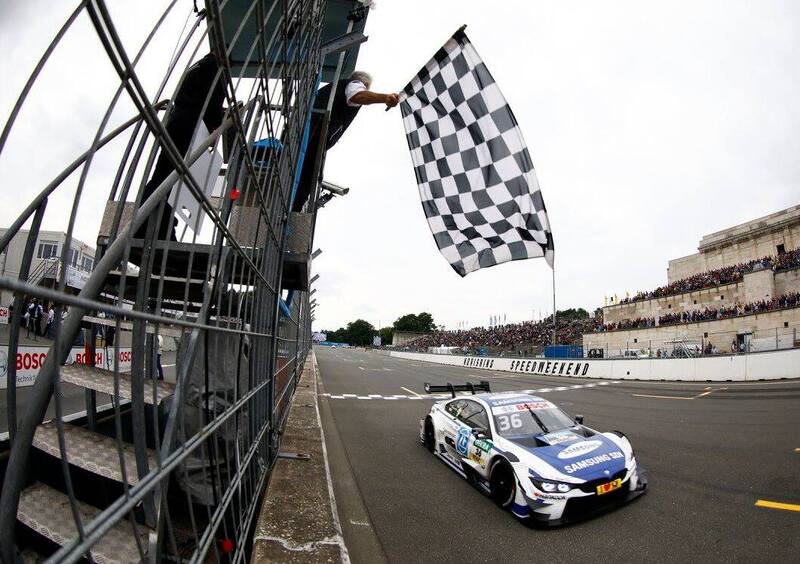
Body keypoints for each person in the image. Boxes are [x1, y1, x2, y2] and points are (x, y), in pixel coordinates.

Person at [135, 51, 227, 240]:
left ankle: (151, 223)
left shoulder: (194, 68)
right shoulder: (214, 70)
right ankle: (157, 228)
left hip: (176, 122)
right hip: (191, 127)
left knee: (163, 175)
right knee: (172, 179)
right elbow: (214, 105)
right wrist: (215, 128)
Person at [291, 71, 398, 212]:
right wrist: (385, 98)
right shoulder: (354, 84)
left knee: (298, 172)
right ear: (364, 84)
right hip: (315, 134)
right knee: (306, 178)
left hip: (305, 132)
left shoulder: (333, 88)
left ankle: (292, 208)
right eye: (367, 88)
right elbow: (357, 95)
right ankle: (293, 211)